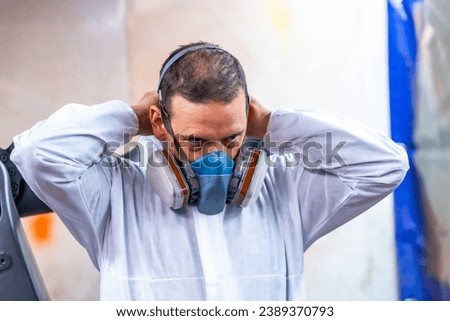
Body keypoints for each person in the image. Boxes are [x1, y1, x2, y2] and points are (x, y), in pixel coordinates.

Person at [11, 41, 409, 300]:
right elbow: (36, 154)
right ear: (161, 124)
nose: (217, 157)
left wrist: (274, 124)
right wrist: (131, 118)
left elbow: (385, 165)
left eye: (232, 138)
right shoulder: (113, 192)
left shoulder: (286, 192)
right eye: (197, 141)